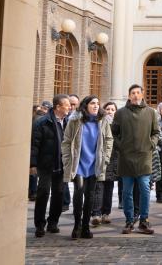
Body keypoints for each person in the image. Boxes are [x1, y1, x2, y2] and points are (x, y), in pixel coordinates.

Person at [61, 96, 113, 239]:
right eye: (92, 103)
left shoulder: (103, 121)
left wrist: (106, 158)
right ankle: (77, 226)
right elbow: (66, 141)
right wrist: (67, 160)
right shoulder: (75, 121)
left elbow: (109, 139)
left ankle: (85, 226)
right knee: (78, 194)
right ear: (85, 106)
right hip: (78, 164)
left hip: (94, 164)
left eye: (97, 103)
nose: (96, 106)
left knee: (90, 196)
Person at [111, 84, 160, 234]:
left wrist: (151, 144)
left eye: (138, 93)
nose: (135, 95)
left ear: (143, 94)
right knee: (127, 192)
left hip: (144, 156)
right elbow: (114, 133)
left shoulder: (151, 112)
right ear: (129, 95)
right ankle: (129, 220)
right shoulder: (120, 113)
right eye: (133, 93)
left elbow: (156, 132)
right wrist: (121, 146)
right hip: (126, 158)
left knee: (145, 189)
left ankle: (144, 220)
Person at [31, 94, 70, 237]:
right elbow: (35, 144)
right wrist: (32, 164)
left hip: (61, 164)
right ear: (58, 107)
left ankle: (53, 222)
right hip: (46, 164)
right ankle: (40, 225)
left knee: (59, 194)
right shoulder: (42, 122)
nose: (69, 107)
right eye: (67, 105)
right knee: (43, 192)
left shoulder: (68, 122)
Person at [92, 101, 119, 225]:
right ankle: (96, 213)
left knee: (109, 187)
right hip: (101, 158)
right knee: (98, 186)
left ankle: (106, 213)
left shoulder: (118, 124)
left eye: (112, 109)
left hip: (113, 159)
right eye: (107, 109)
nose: (110, 111)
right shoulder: (99, 122)